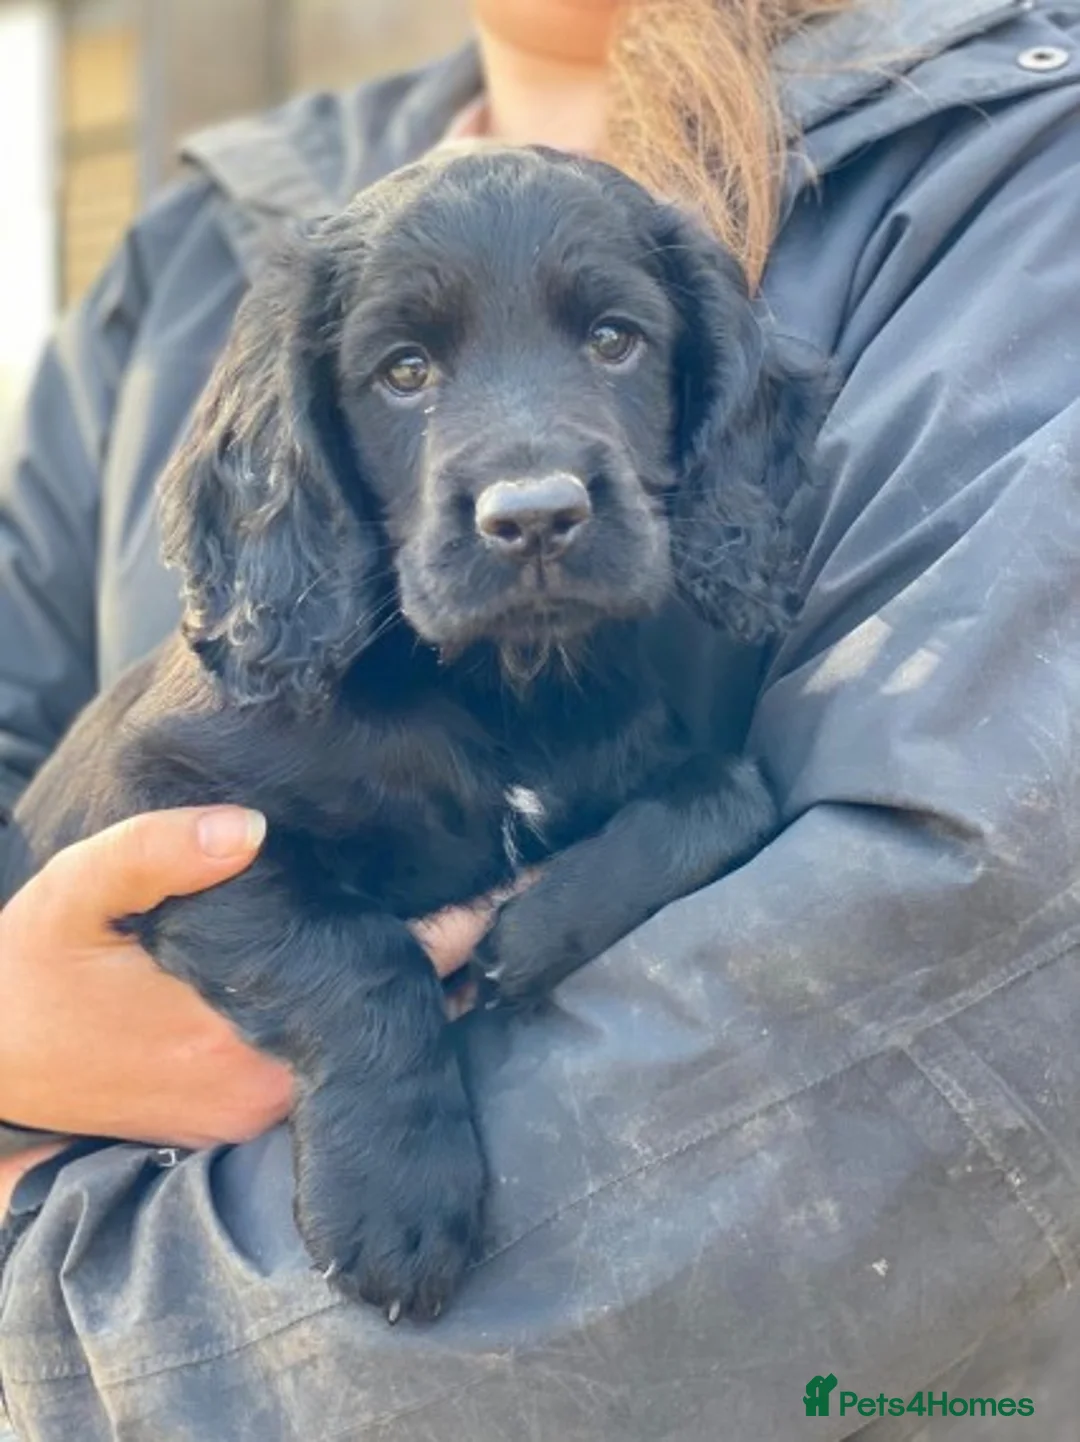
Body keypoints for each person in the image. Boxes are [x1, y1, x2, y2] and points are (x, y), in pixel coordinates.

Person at [0, 0, 1078, 1436]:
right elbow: (167, 820)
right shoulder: (193, 251)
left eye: (611, 341)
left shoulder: (1007, 174)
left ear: (701, 388)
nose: (524, 481)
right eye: (406, 371)